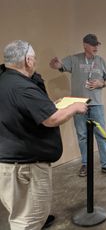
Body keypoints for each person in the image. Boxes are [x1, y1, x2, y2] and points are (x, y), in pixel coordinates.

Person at [0, 40, 88, 230]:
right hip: (25, 167)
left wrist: (48, 105)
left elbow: (25, 111)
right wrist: (74, 107)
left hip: (9, 162)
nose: (36, 62)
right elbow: (51, 119)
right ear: (28, 60)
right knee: (29, 221)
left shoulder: (5, 80)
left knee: (20, 212)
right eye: (34, 59)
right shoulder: (23, 87)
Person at [49, 34, 106, 177]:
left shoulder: (101, 61)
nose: (96, 47)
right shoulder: (74, 59)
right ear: (85, 45)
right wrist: (56, 65)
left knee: (101, 135)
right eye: (93, 44)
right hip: (78, 105)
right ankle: (85, 164)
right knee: (82, 136)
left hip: (97, 104)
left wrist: (102, 83)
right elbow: (60, 66)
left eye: (97, 45)